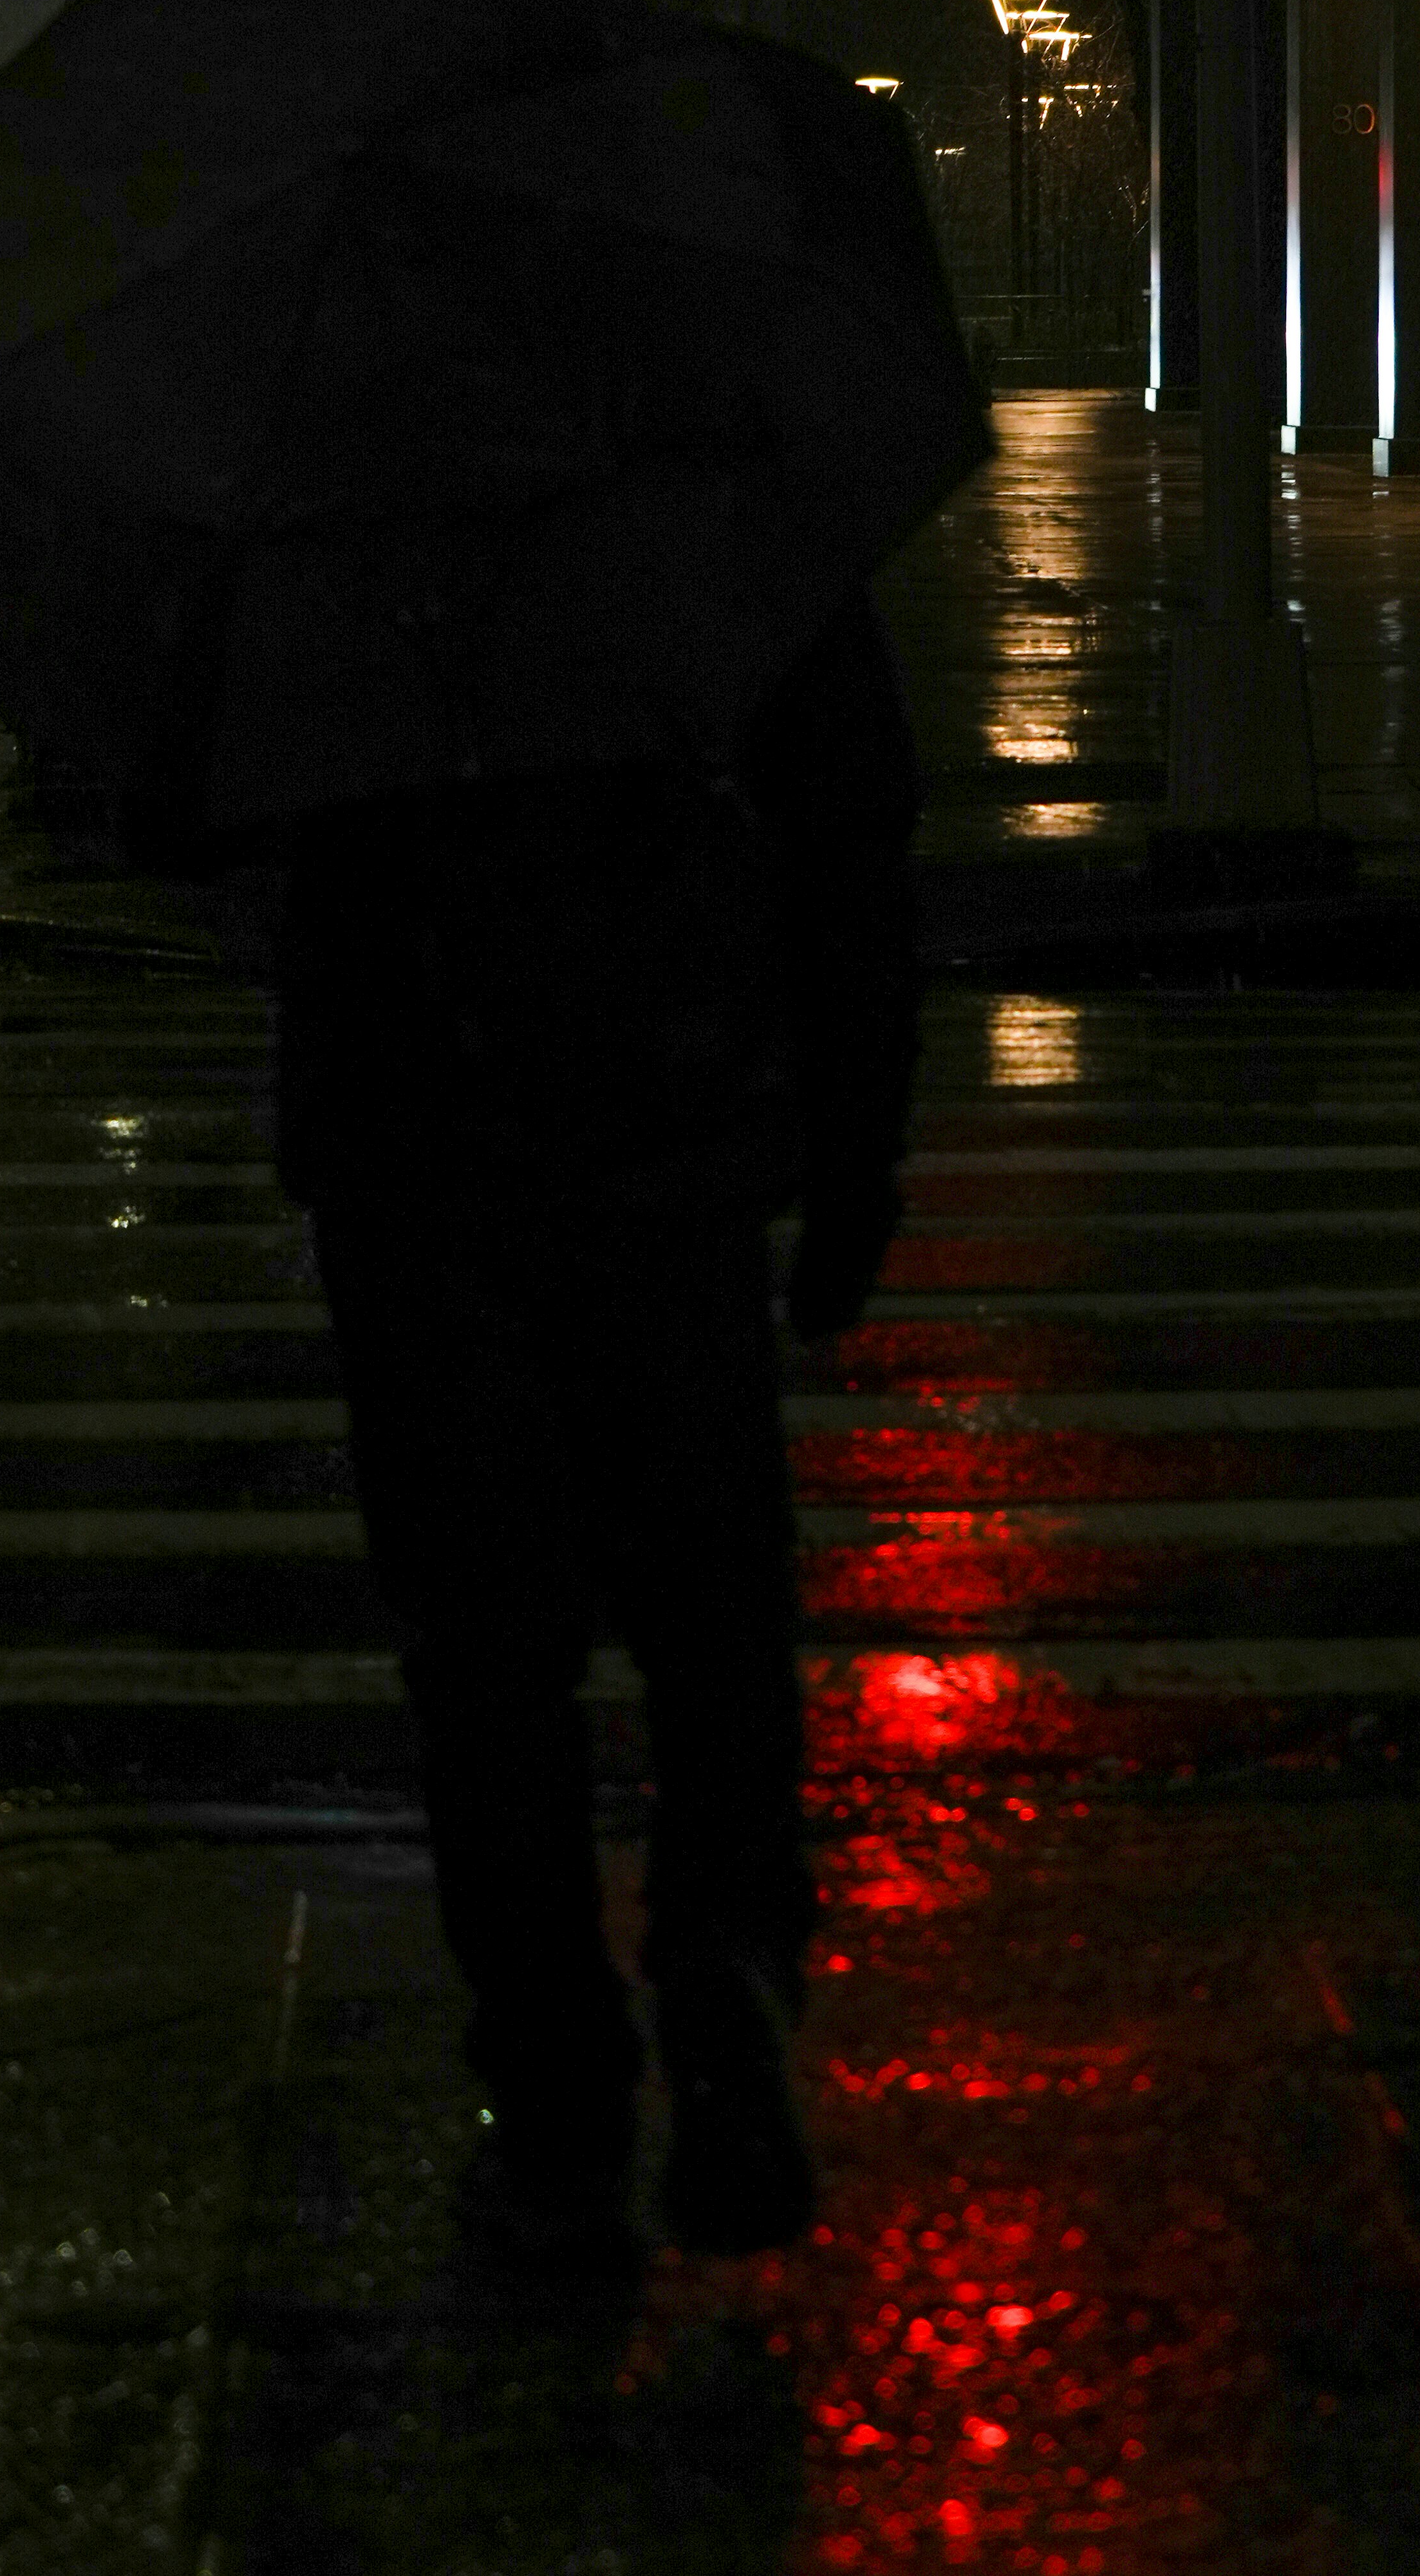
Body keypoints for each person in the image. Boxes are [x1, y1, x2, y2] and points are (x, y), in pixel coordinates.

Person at [268, 579, 922, 2264]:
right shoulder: (706, 507)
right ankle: (722, 1967)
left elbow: (223, 817)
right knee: (714, 1621)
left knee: (487, 1654)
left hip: (418, 1153)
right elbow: (850, 824)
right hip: (665, 1125)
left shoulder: (331, 526)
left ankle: (554, 2070)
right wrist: (856, 1156)